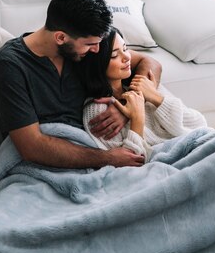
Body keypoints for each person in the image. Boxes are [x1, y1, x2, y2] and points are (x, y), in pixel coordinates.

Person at [0, 0, 162, 169]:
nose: (97, 49)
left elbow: (150, 63)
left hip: (94, 144)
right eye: (90, 44)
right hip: (57, 157)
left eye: (98, 43)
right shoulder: (9, 66)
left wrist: (127, 108)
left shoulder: (84, 47)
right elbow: (31, 147)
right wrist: (108, 158)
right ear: (61, 38)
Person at [79, 28, 208, 162]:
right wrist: (137, 119)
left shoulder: (140, 85)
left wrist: (155, 97)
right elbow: (132, 162)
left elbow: (199, 123)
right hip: (175, 162)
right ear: (97, 64)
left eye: (125, 49)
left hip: (196, 146)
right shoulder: (99, 111)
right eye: (114, 55)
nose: (127, 57)